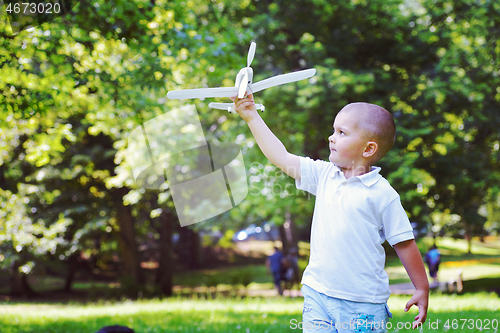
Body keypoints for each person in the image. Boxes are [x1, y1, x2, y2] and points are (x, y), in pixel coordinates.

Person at [232, 95, 429, 331]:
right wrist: (252, 116)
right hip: (318, 293)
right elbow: (281, 157)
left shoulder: (382, 194)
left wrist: (421, 287)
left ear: (368, 148)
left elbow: (404, 243)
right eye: (333, 130)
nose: (331, 137)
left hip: (362, 303)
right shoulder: (324, 175)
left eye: (341, 133)